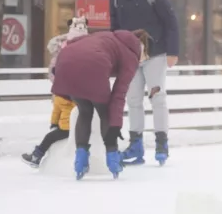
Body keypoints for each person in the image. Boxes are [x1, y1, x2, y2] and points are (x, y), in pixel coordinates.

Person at [109, 0, 180, 166]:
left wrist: (172, 51)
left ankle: (161, 144)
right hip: (129, 58)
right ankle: (136, 146)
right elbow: (114, 31)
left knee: (157, 98)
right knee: (133, 101)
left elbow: (171, 22)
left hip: (155, 55)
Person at [51, 29, 151, 180]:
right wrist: (115, 125)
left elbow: (74, 42)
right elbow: (118, 96)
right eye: (146, 56)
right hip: (93, 64)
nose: (144, 60)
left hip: (67, 62)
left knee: (85, 110)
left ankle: (80, 160)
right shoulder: (131, 56)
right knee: (105, 112)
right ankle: (112, 159)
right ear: (142, 47)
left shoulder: (108, 36)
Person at [21, 17, 88, 167]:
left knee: (51, 137)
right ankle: (37, 156)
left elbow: (68, 110)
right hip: (66, 123)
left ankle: (36, 156)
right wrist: (53, 123)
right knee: (51, 137)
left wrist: (58, 125)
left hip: (69, 126)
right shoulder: (61, 92)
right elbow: (57, 109)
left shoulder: (67, 93)